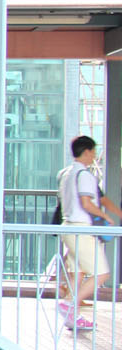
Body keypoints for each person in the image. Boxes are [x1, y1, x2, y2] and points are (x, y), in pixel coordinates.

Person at [56, 136, 121, 329]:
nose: (94, 155)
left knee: (78, 273)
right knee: (101, 274)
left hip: (67, 226)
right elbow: (87, 202)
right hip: (81, 229)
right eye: (93, 151)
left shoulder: (65, 174)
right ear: (86, 152)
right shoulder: (84, 175)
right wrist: (106, 217)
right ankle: (68, 304)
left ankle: (72, 316)